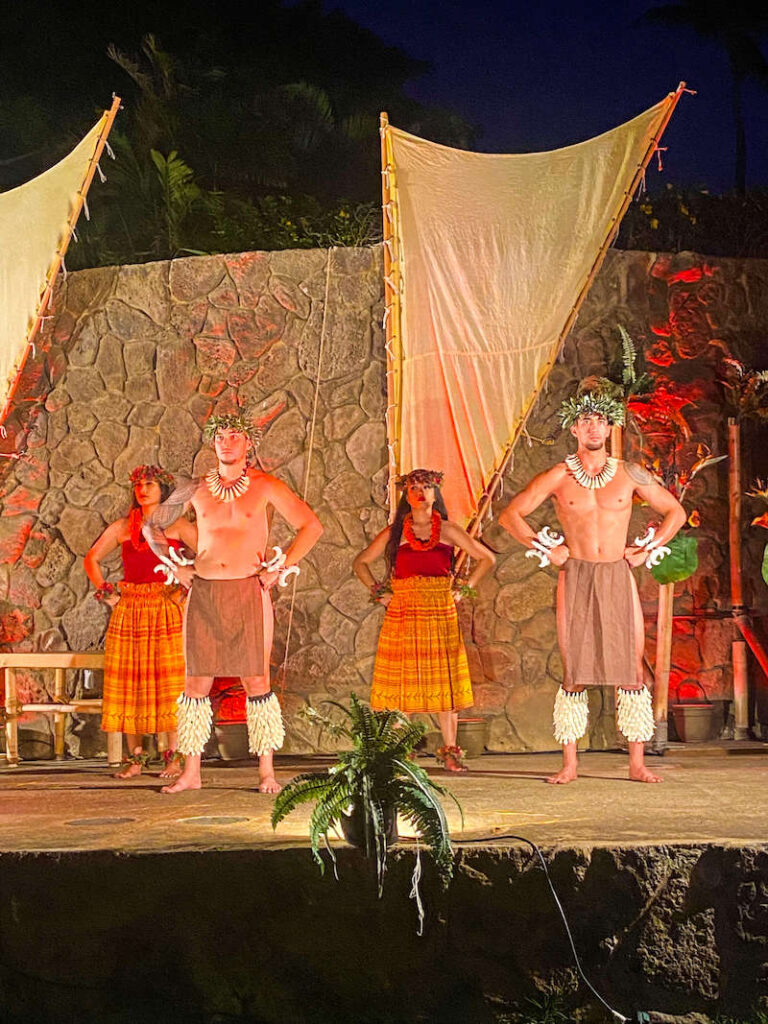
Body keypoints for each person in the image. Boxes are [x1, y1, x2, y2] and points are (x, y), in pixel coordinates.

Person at [499, 385, 686, 784]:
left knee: (632, 669)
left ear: (609, 426)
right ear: (575, 430)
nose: (593, 428)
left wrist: (648, 547)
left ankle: (637, 762)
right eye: (585, 421)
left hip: (617, 573)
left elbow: (675, 511)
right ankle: (569, 764)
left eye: (599, 420)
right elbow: (511, 515)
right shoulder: (559, 475)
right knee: (575, 671)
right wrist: (546, 548)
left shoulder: (629, 473)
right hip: (577, 573)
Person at [144, 413, 323, 795]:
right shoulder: (194, 488)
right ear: (213, 443)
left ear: (248, 443)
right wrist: (177, 569)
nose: (227, 442)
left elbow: (311, 526)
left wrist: (282, 566)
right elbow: (151, 525)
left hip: (248, 590)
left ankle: (266, 773)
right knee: (196, 682)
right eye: (220, 436)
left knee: (257, 679)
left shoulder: (265, 485)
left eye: (235, 436)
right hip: (205, 590)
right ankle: (191, 773)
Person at [353, 469, 495, 772]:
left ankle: (450, 752)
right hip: (403, 611)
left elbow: (487, 559)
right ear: (406, 494)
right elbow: (361, 562)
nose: (420, 492)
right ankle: (398, 752)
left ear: (435, 493)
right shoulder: (395, 532)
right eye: (414, 487)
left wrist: (464, 588)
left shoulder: (448, 529)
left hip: (439, 610)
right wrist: (380, 593)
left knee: (442, 681)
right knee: (404, 682)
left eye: (426, 486)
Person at [85, 465, 197, 779]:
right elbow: (91, 558)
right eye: (138, 484)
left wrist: (185, 588)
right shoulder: (123, 526)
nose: (143, 489)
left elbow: (208, 555)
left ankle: (174, 758)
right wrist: (106, 591)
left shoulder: (176, 524)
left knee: (169, 682)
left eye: (149, 483)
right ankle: (136, 758)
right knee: (130, 681)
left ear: (164, 489)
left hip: (165, 606)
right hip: (130, 607)